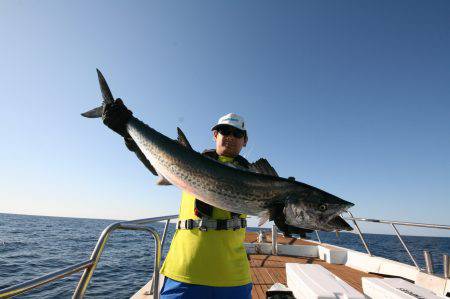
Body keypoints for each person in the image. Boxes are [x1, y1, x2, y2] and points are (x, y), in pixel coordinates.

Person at [102, 100, 253, 299]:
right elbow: (156, 163)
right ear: (215, 135)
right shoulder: (187, 162)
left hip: (234, 278)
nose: (230, 137)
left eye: (237, 133)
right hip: (184, 273)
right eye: (225, 131)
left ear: (245, 140)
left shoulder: (255, 176)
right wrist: (128, 134)